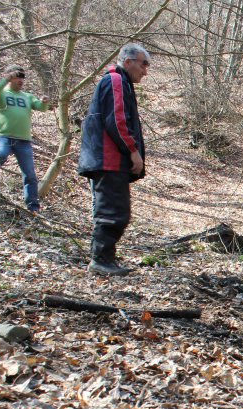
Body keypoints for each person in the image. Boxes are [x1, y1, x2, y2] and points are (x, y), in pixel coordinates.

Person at [77, 43, 150, 276]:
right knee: (112, 212)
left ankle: (106, 258)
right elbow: (117, 120)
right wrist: (132, 150)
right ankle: (100, 260)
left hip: (108, 158)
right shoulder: (115, 81)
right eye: (143, 64)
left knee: (117, 210)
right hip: (108, 158)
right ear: (127, 62)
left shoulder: (121, 83)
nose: (145, 71)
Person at [0, 65, 50, 213]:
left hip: (23, 140)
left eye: (23, 77)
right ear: (9, 76)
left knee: (29, 174)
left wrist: (44, 102)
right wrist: (5, 80)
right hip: (4, 136)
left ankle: (33, 207)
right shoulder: (1, 93)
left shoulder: (26, 96)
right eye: (17, 76)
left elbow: (41, 107)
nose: (21, 80)